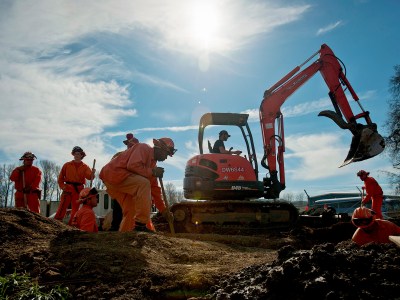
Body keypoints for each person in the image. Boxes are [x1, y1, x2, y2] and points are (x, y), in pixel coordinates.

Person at [99, 138, 176, 232]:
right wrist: (152, 172)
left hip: (116, 180)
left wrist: (164, 211)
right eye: (166, 153)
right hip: (113, 174)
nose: (166, 157)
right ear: (160, 147)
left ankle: (126, 235)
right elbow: (132, 165)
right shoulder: (144, 148)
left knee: (132, 209)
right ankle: (140, 225)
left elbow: (155, 191)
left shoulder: (152, 167)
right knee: (144, 183)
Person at [55, 146, 95, 225]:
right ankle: (57, 222)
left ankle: (72, 224)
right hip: (68, 188)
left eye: (78, 154)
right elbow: (60, 178)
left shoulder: (85, 166)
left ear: (81, 155)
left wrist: (92, 173)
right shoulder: (67, 165)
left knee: (75, 208)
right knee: (62, 206)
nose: (76, 155)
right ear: (73, 155)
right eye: (75, 154)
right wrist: (63, 186)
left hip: (78, 190)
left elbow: (89, 177)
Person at [110, 133, 139, 231]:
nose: (130, 146)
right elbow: (110, 169)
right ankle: (115, 227)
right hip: (119, 186)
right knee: (118, 208)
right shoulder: (118, 155)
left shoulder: (139, 158)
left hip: (132, 188)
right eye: (128, 144)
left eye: (132, 144)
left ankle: (131, 228)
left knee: (131, 209)